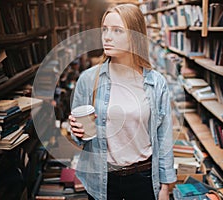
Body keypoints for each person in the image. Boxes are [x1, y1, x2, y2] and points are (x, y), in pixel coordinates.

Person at [68, 3, 176, 200]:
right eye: (105, 29)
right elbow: (79, 137)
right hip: (103, 179)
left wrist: (165, 187)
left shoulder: (155, 83)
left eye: (117, 31)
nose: (107, 37)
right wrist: (76, 130)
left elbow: (164, 138)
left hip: (143, 178)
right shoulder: (88, 79)